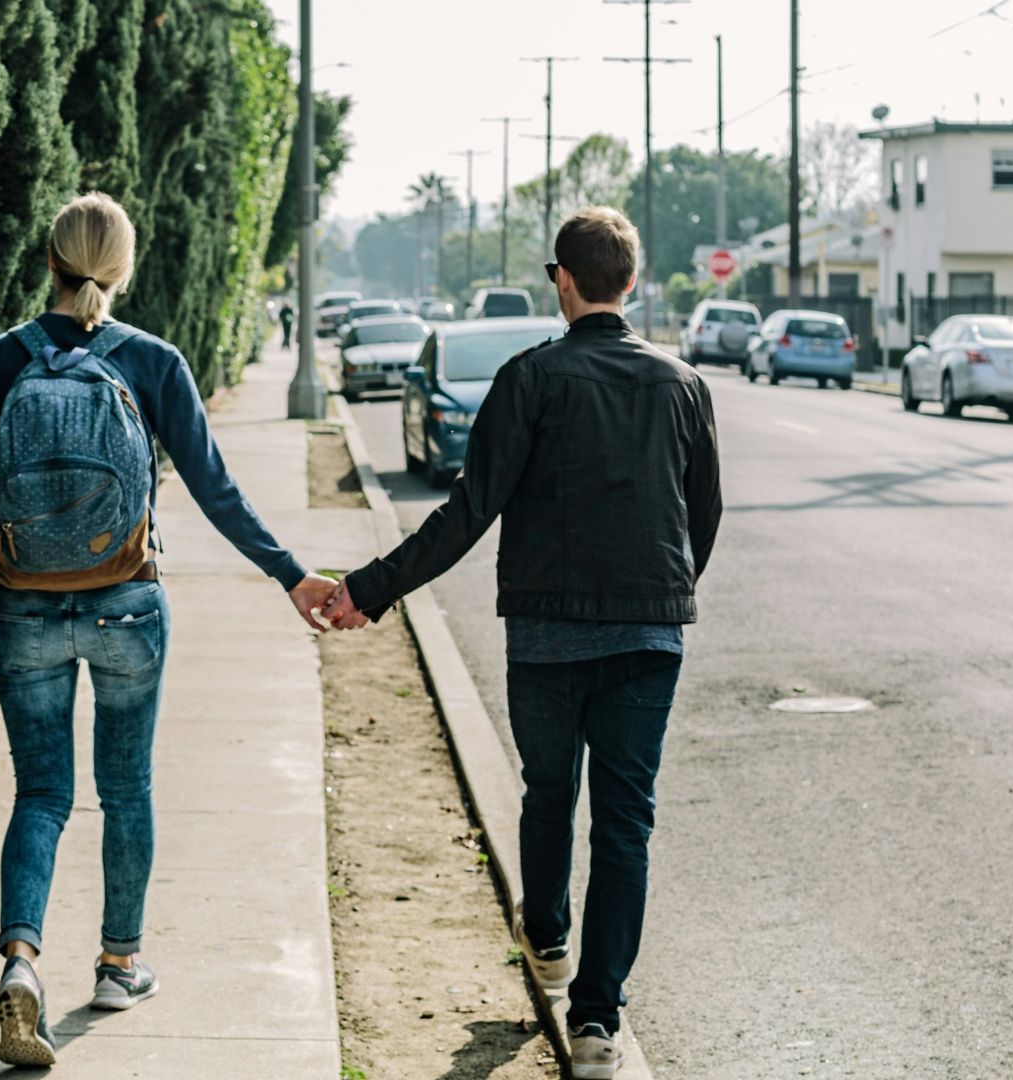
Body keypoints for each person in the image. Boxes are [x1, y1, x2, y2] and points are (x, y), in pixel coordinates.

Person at [322, 206, 721, 1079]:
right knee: (626, 823)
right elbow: (704, 516)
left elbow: (468, 513)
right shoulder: (685, 385)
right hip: (649, 638)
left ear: (562, 281)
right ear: (631, 281)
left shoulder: (530, 379)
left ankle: (545, 938)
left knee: (548, 793)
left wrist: (370, 589)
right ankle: (598, 1024)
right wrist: (659, 596)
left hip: (546, 636)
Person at [0, 192, 339, 1068]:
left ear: (50, 262)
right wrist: (290, 574)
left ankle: (20, 962)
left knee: (41, 795)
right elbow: (213, 487)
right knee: (125, 789)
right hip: (127, 604)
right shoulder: (154, 361)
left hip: (26, 607)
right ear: (124, 269)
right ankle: (120, 965)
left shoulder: (3, 358)